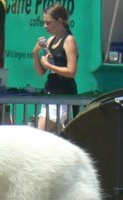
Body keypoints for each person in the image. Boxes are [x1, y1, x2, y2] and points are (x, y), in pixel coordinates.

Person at [32, 3, 78, 132]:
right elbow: (41, 72)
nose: (45, 26)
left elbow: (71, 71)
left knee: (40, 136)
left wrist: (48, 65)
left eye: (48, 23)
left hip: (63, 95)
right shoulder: (51, 40)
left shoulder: (69, 40)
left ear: (60, 21)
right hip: (50, 94)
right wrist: (36, 53)